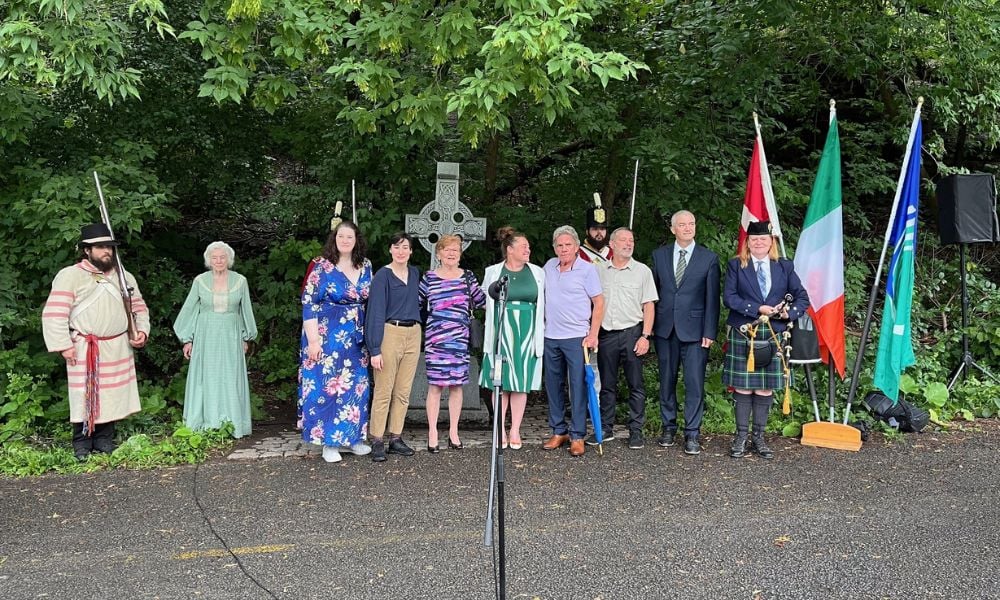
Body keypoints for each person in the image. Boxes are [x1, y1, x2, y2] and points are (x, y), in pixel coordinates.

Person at [42, 223, 150, 461]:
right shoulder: (70, 275)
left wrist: (141, 330)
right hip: (84, 346)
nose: (106, 252)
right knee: (85, 394)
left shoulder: (124, 276)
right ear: (87, 250)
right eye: (100, 247)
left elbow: (138, 307)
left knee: (111, 395)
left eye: (109, 247)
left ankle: (104, 440)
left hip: (117, 345)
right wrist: (64, 345)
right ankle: (82, 443)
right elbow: (55, 313)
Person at [723, 220, 809, 459]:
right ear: (747, 243)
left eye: (763, 239)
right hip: (745, 331)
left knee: (764, 388)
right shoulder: (736, 265)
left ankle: (758, 437)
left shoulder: (784, 266)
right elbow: (729, 298)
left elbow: (802, 298)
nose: (759, 242)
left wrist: (786, 313)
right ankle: (740, 437)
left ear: (771, 242)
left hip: (774, 333)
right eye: (754, 239)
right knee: (742, 386)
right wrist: (756, 308)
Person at [298, 221, 374, 463]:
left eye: (349, 237)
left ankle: (352, 439)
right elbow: (308, 303)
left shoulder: (366, 265)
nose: (345, 240)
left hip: (355, 338)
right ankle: (328, 443)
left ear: (356, 240)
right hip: (325, 335)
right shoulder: (321, 267)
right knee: (327, 387)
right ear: (334, 238)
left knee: (355, 388)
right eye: (340, 236)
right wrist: (313, 340)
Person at [650, 210, 721, 455]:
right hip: (665, 329)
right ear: (673, 229)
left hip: (695, 332)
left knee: (694, 384)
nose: (688, 227)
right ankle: (668, 427)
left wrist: (709, 331)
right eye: (682, 224)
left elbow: (713, 299)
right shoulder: (658, 256)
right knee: (666, 382)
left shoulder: (708, 258)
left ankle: (692, 433)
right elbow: (653, 295)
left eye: (691, 223)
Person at [173, 241, 258, 438]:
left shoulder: (241, 281)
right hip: (206, 335)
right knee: (207, 376)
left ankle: (232, 423)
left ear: (229, 259)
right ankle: (207, 423)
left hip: (231, 334)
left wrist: (246, 337)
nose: (219, 261)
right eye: (215, 257)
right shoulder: (200, 281)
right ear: (208, 260)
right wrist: (188, 339)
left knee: (230, 377)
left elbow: (245, 310)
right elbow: (189, 310)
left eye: (222, 257)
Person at [419, 235, 486, 452]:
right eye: (447, 249)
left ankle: (454, 432)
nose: (451, 253)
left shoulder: (467, 277)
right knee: (435, 386)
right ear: (438, 254)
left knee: (457, 386)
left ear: (460, 254)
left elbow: (483, 302)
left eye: (455, 250)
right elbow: (417, 304)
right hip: (436, 340)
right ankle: (432, 432)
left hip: (459, 339)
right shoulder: (428, 278)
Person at [480, 227, 546, 450]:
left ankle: (515, 429)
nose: (528, 249)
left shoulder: (537, 272)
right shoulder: (493, 272)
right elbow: (485, 300)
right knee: (500, 381)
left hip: (527, 332)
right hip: (501, 330)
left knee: (520, 382)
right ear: (510, 249)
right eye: (523, 246)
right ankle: (499, 428)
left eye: (528, 247)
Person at [542, 226, 604, 457]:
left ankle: (578, 434)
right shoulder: (548, 266)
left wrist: (593, 334)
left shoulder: (587, 270)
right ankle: (559, 431)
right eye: (559, 245)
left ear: (577, 247)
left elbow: (599, 302)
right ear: (554, 248)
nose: (564, 249)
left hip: (577, 337)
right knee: (553, 384)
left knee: (577, 386)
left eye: (568, 245)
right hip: (551, 336)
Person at [594, 227, 658, 449]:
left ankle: (636, 431)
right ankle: (605, 428)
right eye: (623, 240)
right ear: (611, 244)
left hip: (633, 333)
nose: (628, 244)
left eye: (631, 240)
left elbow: (648, 306)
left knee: (636, 386)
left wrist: (645, 336)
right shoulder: (599, 271)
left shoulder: (642, 271)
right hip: (607, 335)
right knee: (607, 386)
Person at [365, 232, 422, 463]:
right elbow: (375, 311)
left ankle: (395, 437)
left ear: (411, 251)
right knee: (383, 389)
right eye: (397, 247)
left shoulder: (415, 273)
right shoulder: (383, 276)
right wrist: (375, 348)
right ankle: (377, 439)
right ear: (390, 249)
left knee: (403, 391)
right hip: (390, 332)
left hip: (413, 332)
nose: (401, 251)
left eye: (405, 247)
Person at [578, 199, 613, 264]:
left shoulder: (613, 253)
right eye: (595, 229)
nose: (599, 232)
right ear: (587, 232)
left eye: (602, 229)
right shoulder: (578, 254)